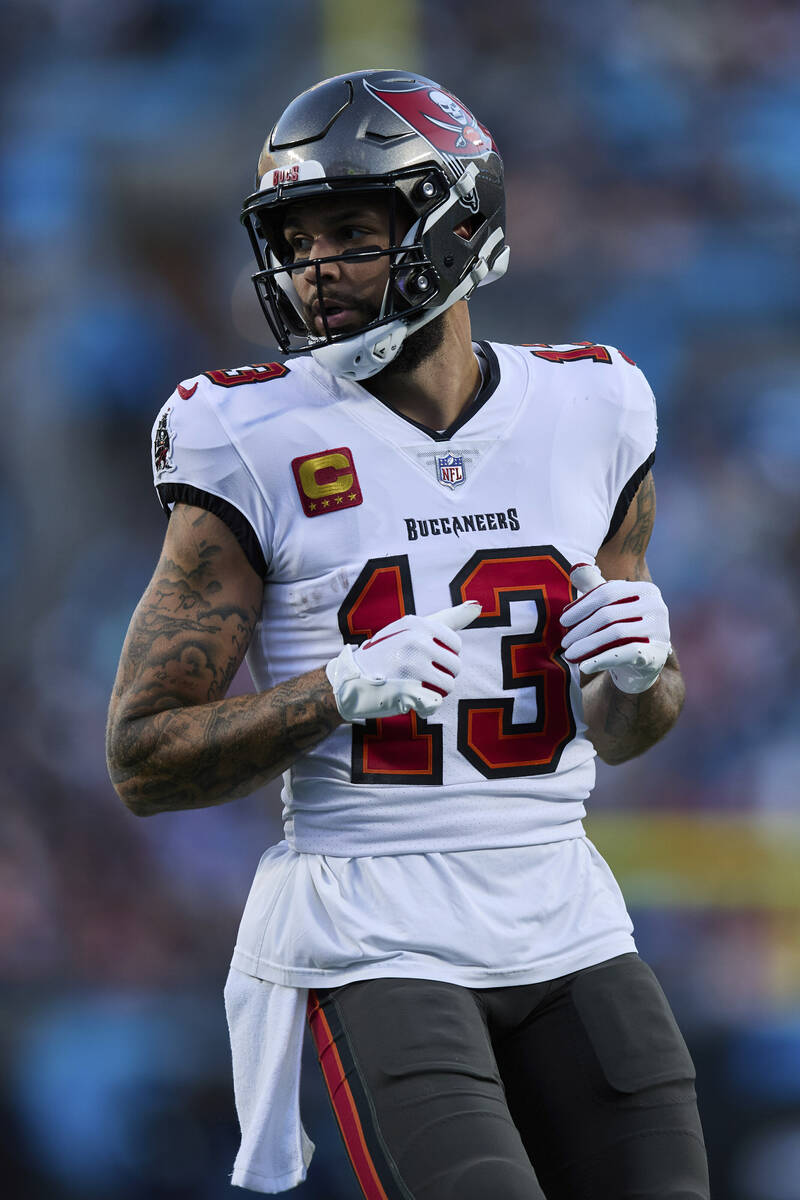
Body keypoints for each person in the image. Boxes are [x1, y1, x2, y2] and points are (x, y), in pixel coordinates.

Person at [106, 69, 710, 1200]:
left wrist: (636, 673)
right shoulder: (244, 435)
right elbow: (142, 759)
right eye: (296, 238)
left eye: (351, 229)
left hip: (565, 913)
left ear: (454, 218)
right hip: (371, 926)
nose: (316, 267)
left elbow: (626, 729)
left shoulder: (597, 408)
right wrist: (333, 690)